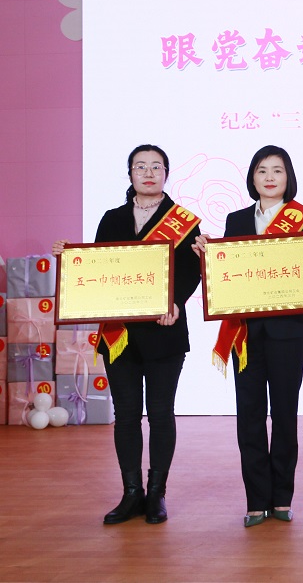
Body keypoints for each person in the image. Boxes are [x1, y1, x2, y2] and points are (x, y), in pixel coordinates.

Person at [52, 144, 202, 525]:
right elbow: (99, 268)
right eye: (140, 166)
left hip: (165, 331)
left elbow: (191, 270)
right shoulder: (111, 219)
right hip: (120, 335)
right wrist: (70, 259)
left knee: (161, 414)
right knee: (127, 415)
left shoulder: (183, 221)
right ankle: (131, 493)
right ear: (130, 173)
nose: (148, 173)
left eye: (156, 167)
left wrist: (176, 301)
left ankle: (157, 494)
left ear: (166, 173)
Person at [193, 145, 303, 527]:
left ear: (288, 177)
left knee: (284, 415)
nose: (270, 177)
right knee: (249, 416)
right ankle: (256, 500)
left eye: (277, 170)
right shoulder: (236, 219)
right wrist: (206, 257)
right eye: (262, 170)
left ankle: (282, 498)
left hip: (288, 333)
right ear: (252, 177)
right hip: (246, 334)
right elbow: (226, 272)